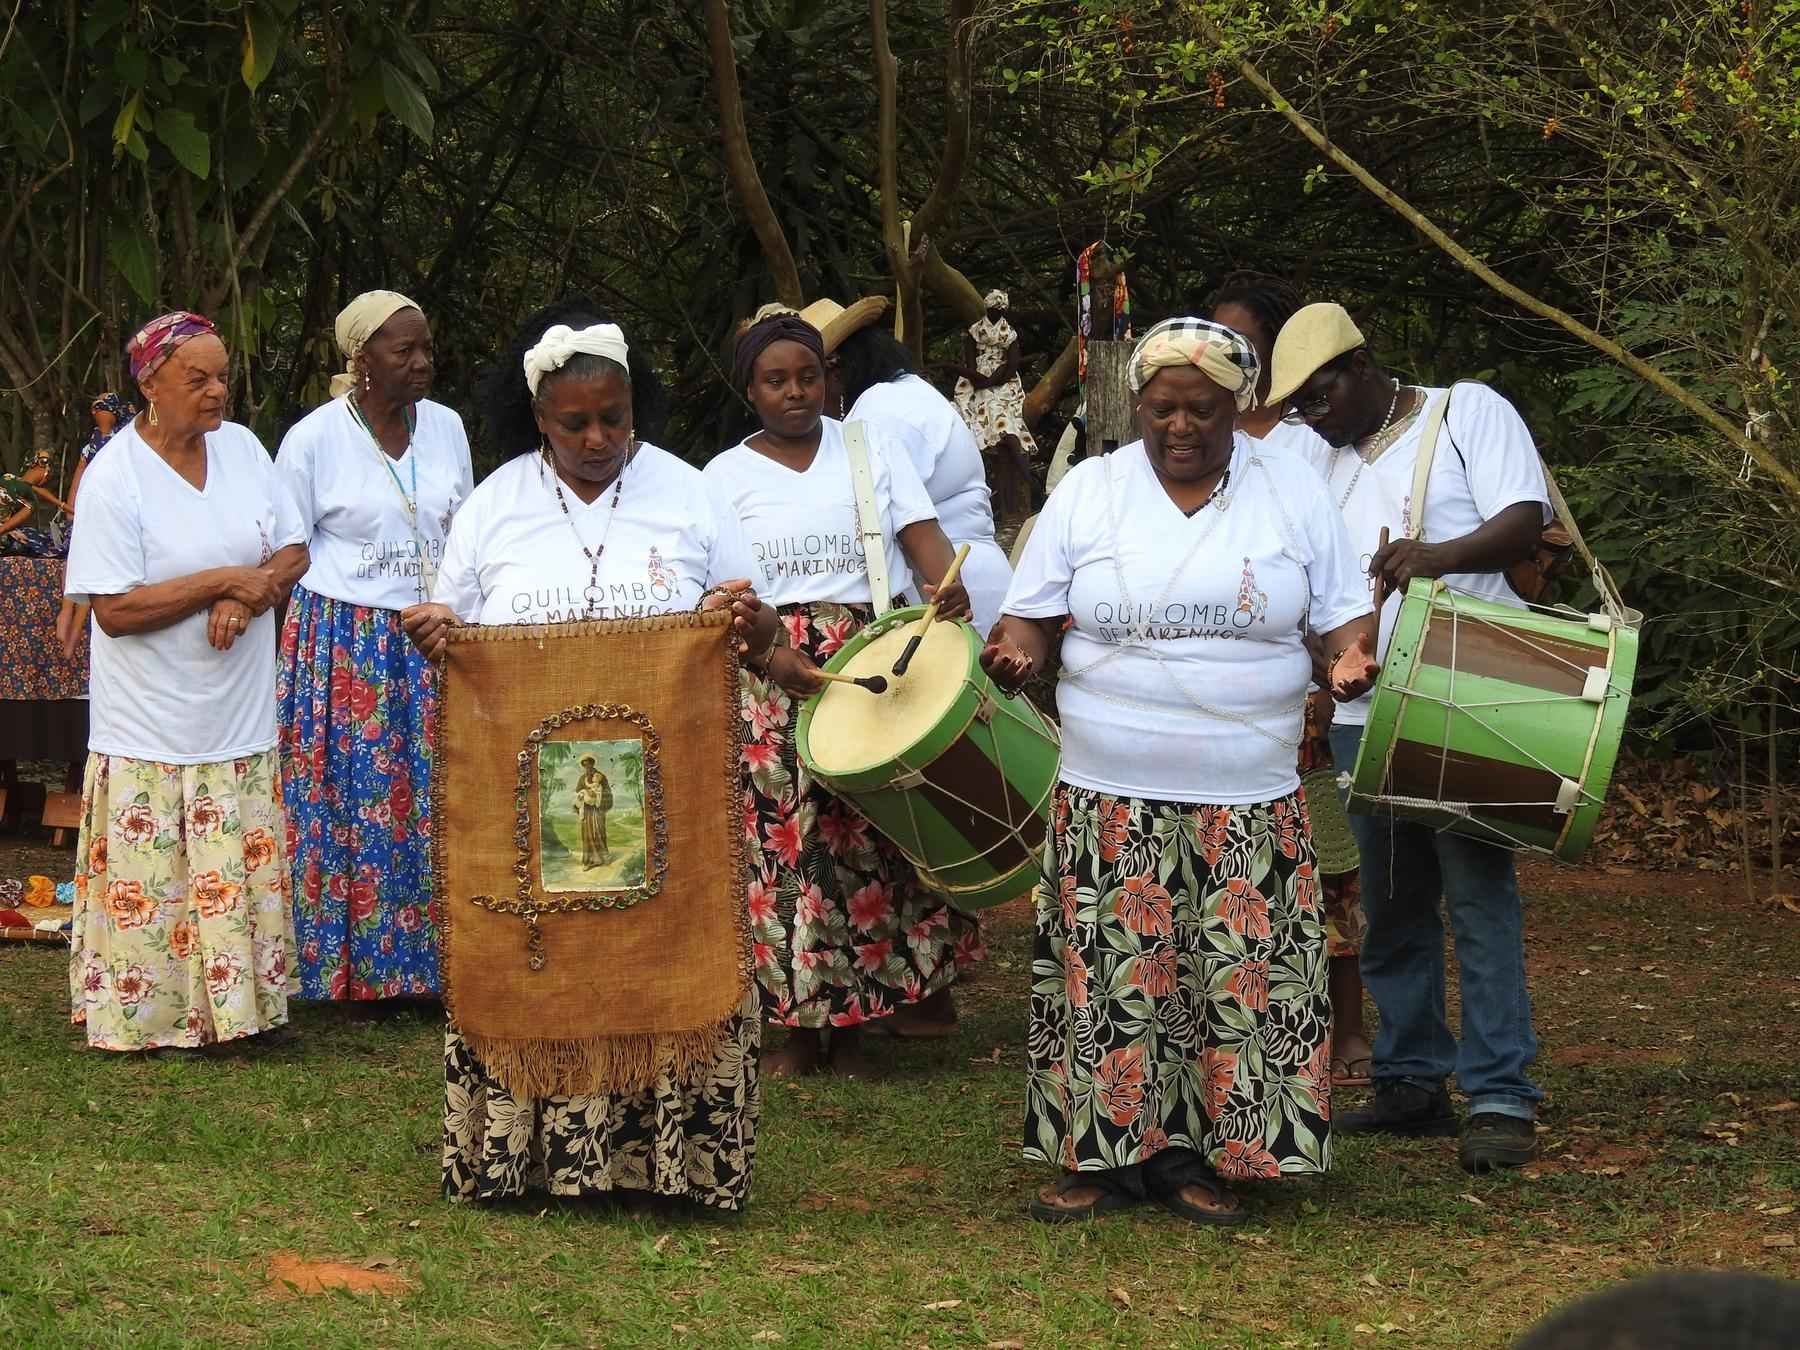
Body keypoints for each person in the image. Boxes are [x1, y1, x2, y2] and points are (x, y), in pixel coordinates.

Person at [402, 300, 801, 1211]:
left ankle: (673, 1166)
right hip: (529, 795)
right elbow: (456, 631)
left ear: (635, 409)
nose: (596, 439)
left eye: (613, 419)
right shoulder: (493, 506)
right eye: (573, 423)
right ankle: (529, 1162)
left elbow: (757, 631)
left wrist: (751, 621)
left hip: (671, 790)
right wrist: (439, 633)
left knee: (661, 950)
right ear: (538, 419)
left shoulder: (689, 493)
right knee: (548, 956)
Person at [982, 316, 1378, 1224]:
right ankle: (1103, 1154)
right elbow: (1030, 617)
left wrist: (1350, 657)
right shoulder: (1092, 491)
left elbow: (1342, 617)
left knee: (1230, 979)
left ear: (1238, 408)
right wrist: (1015, 652)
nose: (1181, 426)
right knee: (1117, 977)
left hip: (1247, 794)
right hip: (1109, 791)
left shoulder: (1292, 489)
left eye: (1202, 409)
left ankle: (1210, 1158)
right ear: (1137, 405)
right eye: (1162, 408)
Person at [1264, 301, 1552, 1172]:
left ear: (1359, 367)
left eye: (1319, 397)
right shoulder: (1307, 454)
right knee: (1391, 900)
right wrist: (1319, 664)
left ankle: (1499, 1093)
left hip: (1464, 698)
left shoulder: (1464, 411)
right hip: (1361, 711)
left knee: (1478, 894)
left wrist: (1435, 556)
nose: (1311, 417)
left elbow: (1524, 519)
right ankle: (1411, 1079)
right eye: (1297, 406)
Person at [704, 312, 984, 1078]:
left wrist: (946, 586)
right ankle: (796, 1027)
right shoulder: (721, 478)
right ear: (750, 389)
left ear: (829, 379)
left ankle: (861, 1020)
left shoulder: (870, 449)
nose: (794, 392)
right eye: (776, 381)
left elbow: (924, 545)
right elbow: (722, 593)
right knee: (786, 843)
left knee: (865, 840)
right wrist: (771, 655)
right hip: (771, 669)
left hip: (869, 662)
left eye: (807, 376)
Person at [62, 310, 309, 1052]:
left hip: (237, 712)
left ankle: (240, 1012)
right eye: (197, 378)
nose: (216, 392)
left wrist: (248, 595)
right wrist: (220, 581)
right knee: (158, 873)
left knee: (233, 857)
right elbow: (114, 610)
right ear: (149, 384)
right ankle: (147, 1017)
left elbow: (293, 549)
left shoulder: (243, 449)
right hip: (151, 722)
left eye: (222, 376)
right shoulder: (116, 476)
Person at [274, 291, 473, 1003]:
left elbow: (464, 533)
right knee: (352, 801)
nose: (422, 362)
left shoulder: (446, 427)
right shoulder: (313, 439)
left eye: (427, 349)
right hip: (344, 642)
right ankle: (349, 971)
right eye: (403, 350)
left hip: (432, 638)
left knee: (434, 796)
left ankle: (435, 968)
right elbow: (288, 548)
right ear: (362, 358)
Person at [1207, 271, 1373, 1088]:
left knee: (1325, 861)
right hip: (1225, 691)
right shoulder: (1200, 435)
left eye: (1244, 342)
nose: (1229, 357)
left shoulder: (1312, 440)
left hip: (1310, 688)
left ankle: (1349, 1029)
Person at [802, 296, 1015, 635]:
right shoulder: (902, 393)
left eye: (808, 379)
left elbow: (868, 516)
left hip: (950, 584)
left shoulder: (881, 412)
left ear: (834, 368)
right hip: (956, 577)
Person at [56, 394, 137, 655]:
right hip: (87, 510)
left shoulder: (124, 440)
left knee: (95, 577)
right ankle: (65, 618)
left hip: (110, 512)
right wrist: (71, 509)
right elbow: (80, 471)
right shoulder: (93, 440)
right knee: (76, 565)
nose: (95, 411)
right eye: (94, 408)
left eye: (101, 407)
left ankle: (73, 633)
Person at [953, 288, 1038, 464]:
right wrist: (978, 379)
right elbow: (970, 361)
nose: (997, 313)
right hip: (978, 373)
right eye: (994, 310)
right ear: (988, 309)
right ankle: (985, 437)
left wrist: (993, 380)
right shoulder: (975, 330)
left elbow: (1012, 364)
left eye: (1000, 310)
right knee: (972, 403)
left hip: (1003, 375)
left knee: (1001, 406)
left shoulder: (1009, 333)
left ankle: (1005, 433)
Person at [0, 452, 71, 557]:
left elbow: (37, 490)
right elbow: (7, 527)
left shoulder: (9, 478)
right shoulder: (28, 497)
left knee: (33, 536)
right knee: (31, 539)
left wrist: (64, 506)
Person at [575, 754, 611, 867]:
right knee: (587, 834)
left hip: (598, 810)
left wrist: (597, 795)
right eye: (585, 765)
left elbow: (608, 792)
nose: (587, 767)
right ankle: (589, 860)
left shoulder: (600, 776)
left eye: (589, 764)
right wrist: (583, 795)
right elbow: (577, 792)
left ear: (592, 764)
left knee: (599, 831)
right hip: (586, 810)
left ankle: (602, 858)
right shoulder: (582, 778)